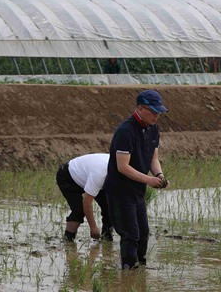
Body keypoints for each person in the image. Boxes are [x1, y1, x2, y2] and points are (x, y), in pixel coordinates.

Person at [104, 89, 168, 270]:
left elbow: (153, 159)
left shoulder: (153, 129)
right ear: (140, 108)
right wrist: (148, 180)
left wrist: (159, 176)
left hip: (137, 191)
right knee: (130, 234)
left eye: (159, 112)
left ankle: (140, 271)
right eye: (153, 112)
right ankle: (128, 272)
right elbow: (122, 167)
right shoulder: (125, 131)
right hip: (120, 191)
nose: (157, 116)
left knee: (143, 234)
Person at [56, 153, 113, 241]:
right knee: (79, 210)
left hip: (89, 173)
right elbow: (87, 201)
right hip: (69, 175)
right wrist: (93, 227)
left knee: (109, 207)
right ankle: (68, 240)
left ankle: (106, 238)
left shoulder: (123, 170)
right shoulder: (100, 174)